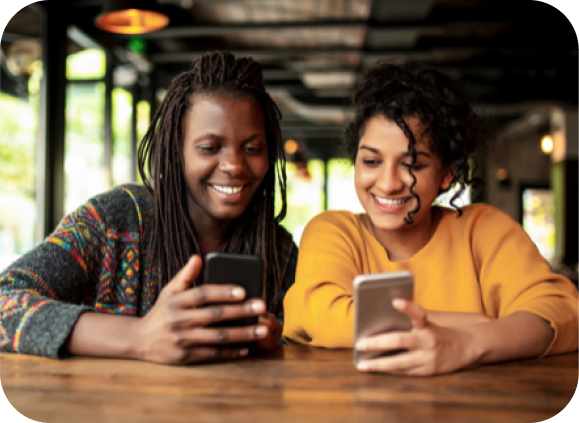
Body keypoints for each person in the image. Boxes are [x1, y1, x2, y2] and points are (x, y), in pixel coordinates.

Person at [282, 62, 579, 376]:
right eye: (371, 160)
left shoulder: (484, 231)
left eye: (412, 165)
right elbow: (317, 316)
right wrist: (473, 323)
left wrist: (465, 343)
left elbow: (562, 312)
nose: (387, 183)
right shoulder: (334, 231)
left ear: (447, 173)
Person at [0, 51, 297, 365]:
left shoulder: (281, 251)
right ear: (175, 151)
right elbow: (5, 304)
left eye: (252, 148)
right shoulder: (113, 220)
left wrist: (279, 337)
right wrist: (138, 337)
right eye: (209, 148)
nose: (234, 165)